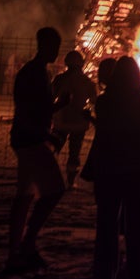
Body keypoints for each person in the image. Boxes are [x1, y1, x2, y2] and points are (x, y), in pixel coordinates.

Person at [88, 56, 140, 279]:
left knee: (106, 224)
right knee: (138, 225)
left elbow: (104, 130)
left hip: (109, 167)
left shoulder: (105, 101)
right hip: (137, 166)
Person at [6, 27, 67, 273]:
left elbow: (35, 108)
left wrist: (55, 110)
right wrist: (46, 132)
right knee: (55, 191)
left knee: (25, 196)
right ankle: (28, 244)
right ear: (43, 45)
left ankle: (15, 253)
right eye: (54, 46)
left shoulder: (37, 72)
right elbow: (29, 110)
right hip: (31, 139)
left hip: (27, 138)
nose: (56, 52)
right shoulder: (33, 73)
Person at [51, 46, 95, 186]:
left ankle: (49, 175)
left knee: (54, 147)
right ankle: (70, 181)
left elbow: (51, 97)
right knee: (74, 152)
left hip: (61, 121)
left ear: (66, 63)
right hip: (79, 122)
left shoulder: (59, 79)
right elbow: (94, 102)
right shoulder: (88, 82)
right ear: (81, 64)